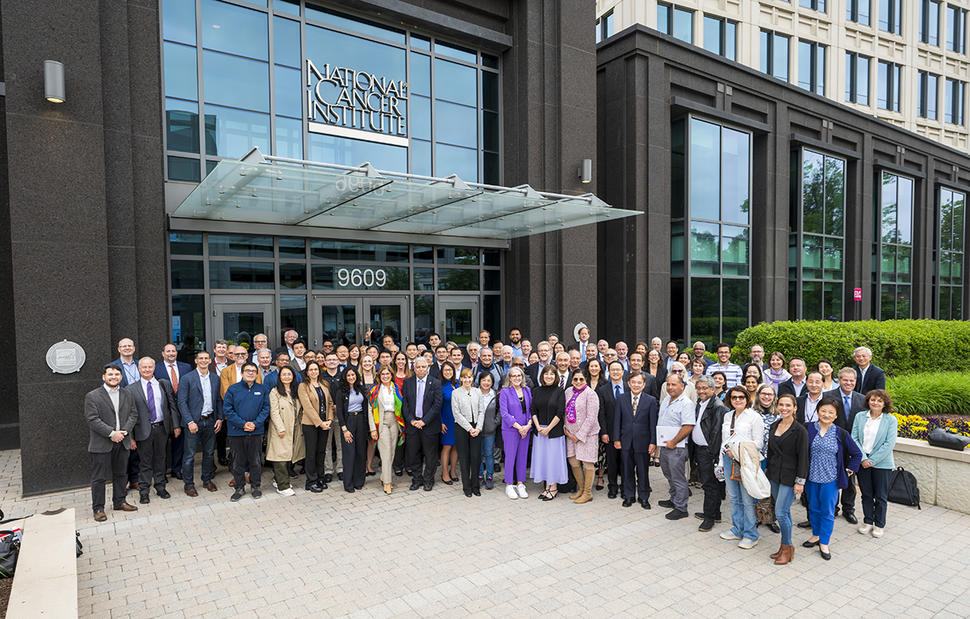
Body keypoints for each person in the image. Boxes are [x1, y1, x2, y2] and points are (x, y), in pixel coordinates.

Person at [803, 398, 863, 560]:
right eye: (823, 410)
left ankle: (824, 542)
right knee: (813, 508)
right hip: (811, 478)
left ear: (836, 415)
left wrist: (849, 471)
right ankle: (816, 535)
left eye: (831, 412)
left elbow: (857, 454)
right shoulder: (808, 429)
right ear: (817, 411)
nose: (826, 414)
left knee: (828, 512)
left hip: (831, 479)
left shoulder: (840, 433)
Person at [85, 364, 139, 521]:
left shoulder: (127, 393)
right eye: (110, 374)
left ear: (121, 377)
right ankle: (98, 508)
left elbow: (133, 414)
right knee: (99, 478)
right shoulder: (93, 396)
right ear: (104, 377)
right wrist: (111, 433)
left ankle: (119, 501)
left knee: (121, 474)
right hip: (102, 443)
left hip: (123, 441)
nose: (113, 377)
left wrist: (124, 432)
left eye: (116, 374)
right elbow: (92, 419)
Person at [764, 393, 809, 565]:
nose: (784, 408)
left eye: (788, 405)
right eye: (781, 405)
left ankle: (788, 546)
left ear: (795, 408)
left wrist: (800, 482)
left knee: (781, 513)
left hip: (790, 478)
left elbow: (804, 458)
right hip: (775, 475)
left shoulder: (800, 431)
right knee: (783, 511)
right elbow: (771, 452)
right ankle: (785, 549)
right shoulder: (775, 425)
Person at [127, 357, 179, 504]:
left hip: (161, 428)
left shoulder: (163, 384)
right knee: (145, 462)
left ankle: (160, 487)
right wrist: (130, 437)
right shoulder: (131, 389)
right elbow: (129, 414)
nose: (147, 370)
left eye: (150, 367)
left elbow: (171, 406)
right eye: (144, 367)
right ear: (139, 368)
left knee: (161, 460)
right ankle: (144, 491)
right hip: (143, 430)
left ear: (154, 368)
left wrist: (175, 426)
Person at [719, 386, 764, 550]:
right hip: (728, 460)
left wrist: (737, 448)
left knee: (747, 499)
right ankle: (737, 529)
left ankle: (751, 534)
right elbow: (723, 442)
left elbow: (759, 443)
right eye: (734, 397)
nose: (737, 400)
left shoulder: (754, 417)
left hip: (746, 462)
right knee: (734, 497)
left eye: (741, 397)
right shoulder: (727, 415)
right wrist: (720, 462)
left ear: (747, 398)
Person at [851, 389, 898, 539]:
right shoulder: (860, 417)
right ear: (868, 401)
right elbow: (854, 438)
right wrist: (863, 458)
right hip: (862, 462)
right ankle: (868, 521)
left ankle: (879, 524)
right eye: (873, 400)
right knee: (866, 494)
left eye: (879, 401)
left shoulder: (890, 420)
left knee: (881, 496)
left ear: (884, 404)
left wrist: (872, 460)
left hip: (882, 464)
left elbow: (889, 444)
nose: (875, 403)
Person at [222, 363, 269, 501]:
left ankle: (255, 486)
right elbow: (228, 410)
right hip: (237, 432)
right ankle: (239, 487)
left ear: (257, 374)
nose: (251, 373)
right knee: (238, 461)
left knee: (255, 460)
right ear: (242, 373)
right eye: (248, 371)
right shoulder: (232, 389)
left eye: (254, 371)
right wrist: (243, 424)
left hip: (256, 431)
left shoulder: (262, 389)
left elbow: (266, 409)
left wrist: (255, 423)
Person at [178, 351, 222, 496]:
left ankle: (207, 480)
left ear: (210, 361)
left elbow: (218, 401)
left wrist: (219, 418)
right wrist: (189, 421)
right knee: (190, 455)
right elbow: (182, 402)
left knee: (209, 453)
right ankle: (188, 484)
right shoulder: (187, 378)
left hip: (210, 421)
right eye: (200, 358)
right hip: (194, 423)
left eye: (206, 359)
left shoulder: (215, 378)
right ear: (196, 361)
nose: (203, 361)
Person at [824, 367, 865, 523]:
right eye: (845, 380)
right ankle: (832, 508)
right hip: (832, 442)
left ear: (855, 382)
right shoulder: (828, 396)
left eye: (851, 380)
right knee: (832, 478)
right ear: (839, 380)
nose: (848, 383)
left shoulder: (862, 399)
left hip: (851, 445)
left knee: (850, 480)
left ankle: (848, 509)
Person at [613, 372, 658, 509]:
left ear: (644, 385)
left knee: (643, 470)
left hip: (643, 442)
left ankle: (644, 497)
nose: (636, 385)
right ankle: (629, 495)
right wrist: (616, 438)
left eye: (639, 383)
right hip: (625, 441)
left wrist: (653, 442)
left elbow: (652, 423)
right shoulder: (621, 399)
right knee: (627, 470)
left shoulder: (650, 400)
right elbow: (617, 420)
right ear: (628, 384)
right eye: (634, 382)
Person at [657, 374, 695, 520]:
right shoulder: (667, 399)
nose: (670, 387)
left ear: (682, 386)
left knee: (678, 478)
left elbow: (688, 426)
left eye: (674, 384)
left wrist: (674, 441)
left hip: (677, 447)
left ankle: (681, 508)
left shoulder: (686, 403)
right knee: (668, 474)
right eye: (668, 384)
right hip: (666, 446)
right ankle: (674, 499)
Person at [692, 376, 727, 531]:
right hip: (701, 450)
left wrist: (713, 455)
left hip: (709, 451)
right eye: (698, 388)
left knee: (709, 485)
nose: (701, 391)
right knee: (713, 484)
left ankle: (709, 518)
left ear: (713, 389)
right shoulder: (701, 403)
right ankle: (715, 513)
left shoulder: (717, 406)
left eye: (705, 388)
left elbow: (716, 433)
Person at [402, 358, 443, 492]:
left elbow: (437, 405)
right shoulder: (407, 382)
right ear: (414, 368)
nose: (420, 369)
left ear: (428, 368)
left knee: (430, 456)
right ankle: (417, 479)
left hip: (429, 425)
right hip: (412, 425)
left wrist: (424, 421)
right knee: (413, 455)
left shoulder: (436, 383)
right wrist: (412, 420)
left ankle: (428, 480)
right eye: (418, 367)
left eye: (423, 367)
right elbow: (405, 404)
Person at [530, 365, 568, 501]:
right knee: (543, 459)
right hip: (540, 431)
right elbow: (533, 410)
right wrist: (538, 426)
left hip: (553, 432)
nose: (549, 376)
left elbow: (560, 412)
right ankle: (547, 487)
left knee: (553, 460)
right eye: (546, 374)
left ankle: (554, 488)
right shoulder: (536, 390)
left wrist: (548, 428)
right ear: (542, 376)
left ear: (556, 376)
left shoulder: (559, 391)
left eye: (552, 374)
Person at [563, 371, 600, 504]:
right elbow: (564, 412)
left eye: (581, 379)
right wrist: (566, 431)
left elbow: (591, 418)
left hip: (587, 435)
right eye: (575, 379)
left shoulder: (591, 394)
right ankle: (581, 489)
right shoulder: (568, 391)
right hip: (570, 434)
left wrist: (578, 436)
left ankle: (588, 493)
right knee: (573, 462)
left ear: (586, 380)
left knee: (587, 463)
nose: (578, 382)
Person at [297, 361, 335, 492]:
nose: (314, 372)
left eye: (316, 369)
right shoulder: (303, 386)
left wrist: (329, 419)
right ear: (307, 372)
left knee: (321, 452)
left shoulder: (324, 384)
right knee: (311, 453)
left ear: (319, 371)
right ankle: (311, 481)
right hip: (311, 424)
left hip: (325, 423)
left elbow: (330, 403)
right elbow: (307, 407)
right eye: (311, 369)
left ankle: (320, 477)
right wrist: (320, 423)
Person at [267, 367, 304, 497]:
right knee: (280, 458)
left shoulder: (296, 391)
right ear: (280, 376)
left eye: (289, 374)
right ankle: (283, 487)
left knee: (289, 457)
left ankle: (279, 480)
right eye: (284, 374)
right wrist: (280, 428)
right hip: (281, 429)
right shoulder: (275, 391)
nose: (287, 377)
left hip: (295, 428)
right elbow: (274, 411)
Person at [368, 365, 404, 495]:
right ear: (379, 376)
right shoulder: (375, 390)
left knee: (392, 451)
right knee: (386, 452)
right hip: (381, 422)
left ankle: (384, 475)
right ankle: (387, 482)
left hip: (394, 421)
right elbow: (370, 410)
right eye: (383, 374)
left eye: (387, 374)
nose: (385, 376)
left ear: (391, 375)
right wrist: (373, 429)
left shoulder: (396, 388)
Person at [499, 366, 533, 499]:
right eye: (514, 376)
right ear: (509, 378)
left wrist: (528, 425)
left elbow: (531, 410)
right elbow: (504, 413)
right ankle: (509, 485)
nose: (517, 378)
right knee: (510, 457)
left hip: (526, 429)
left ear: (522, 377)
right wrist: (519, 427)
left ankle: (520, 484)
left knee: (522, 457)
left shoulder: (527, 390)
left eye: (519, 375)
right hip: (511, 430)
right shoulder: (505, 392)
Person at [335, 367, 369, 493]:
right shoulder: (341, 392)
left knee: (361, 452)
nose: (351, 377)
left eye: (353, 375)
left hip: (360, 420)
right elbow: (339, 412)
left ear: (356, 376)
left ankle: (359, 481)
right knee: (349, 453)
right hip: (348, 422)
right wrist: (344, 430)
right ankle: (348, 483)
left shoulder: (361, 389)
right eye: (348, 375)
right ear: (345, 377)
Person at [452, 368, 485, 497]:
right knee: (464, 458)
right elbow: (457, 413)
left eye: (469, 377)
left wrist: (478, 428)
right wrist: (469, 428)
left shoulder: (477, 392)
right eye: (464, 377)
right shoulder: (456, 393)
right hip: (462, 428)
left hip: (476, 427)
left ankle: (475, 486)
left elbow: (482, 411)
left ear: (472, 379)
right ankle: (466, 487)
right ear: (461, 379)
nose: (467, 380)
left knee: (476, 458)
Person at [477, 372, 500, 490]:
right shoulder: (474, 393)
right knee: (478, 454)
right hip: (476, 430)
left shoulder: (495, 394)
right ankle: (480, 475)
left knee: (489, 454)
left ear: (492, 382)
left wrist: (495, 423)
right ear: (479, 381)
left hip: (490, 430)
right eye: (484, 380)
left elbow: (500, 411)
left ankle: (490, 476)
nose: (486, 383)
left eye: (488, 381)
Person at [438, 362, 459, 485]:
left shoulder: (457, 383)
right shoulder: (439, 385)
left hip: (458, 420)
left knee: (456, 446)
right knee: (447, 446)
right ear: (442, 371)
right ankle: (445, 472)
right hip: (446, 420)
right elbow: (437, 406)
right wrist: (440, 422)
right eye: (445, 370)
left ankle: (453, 471)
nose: (448, 372)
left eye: (450, 370)